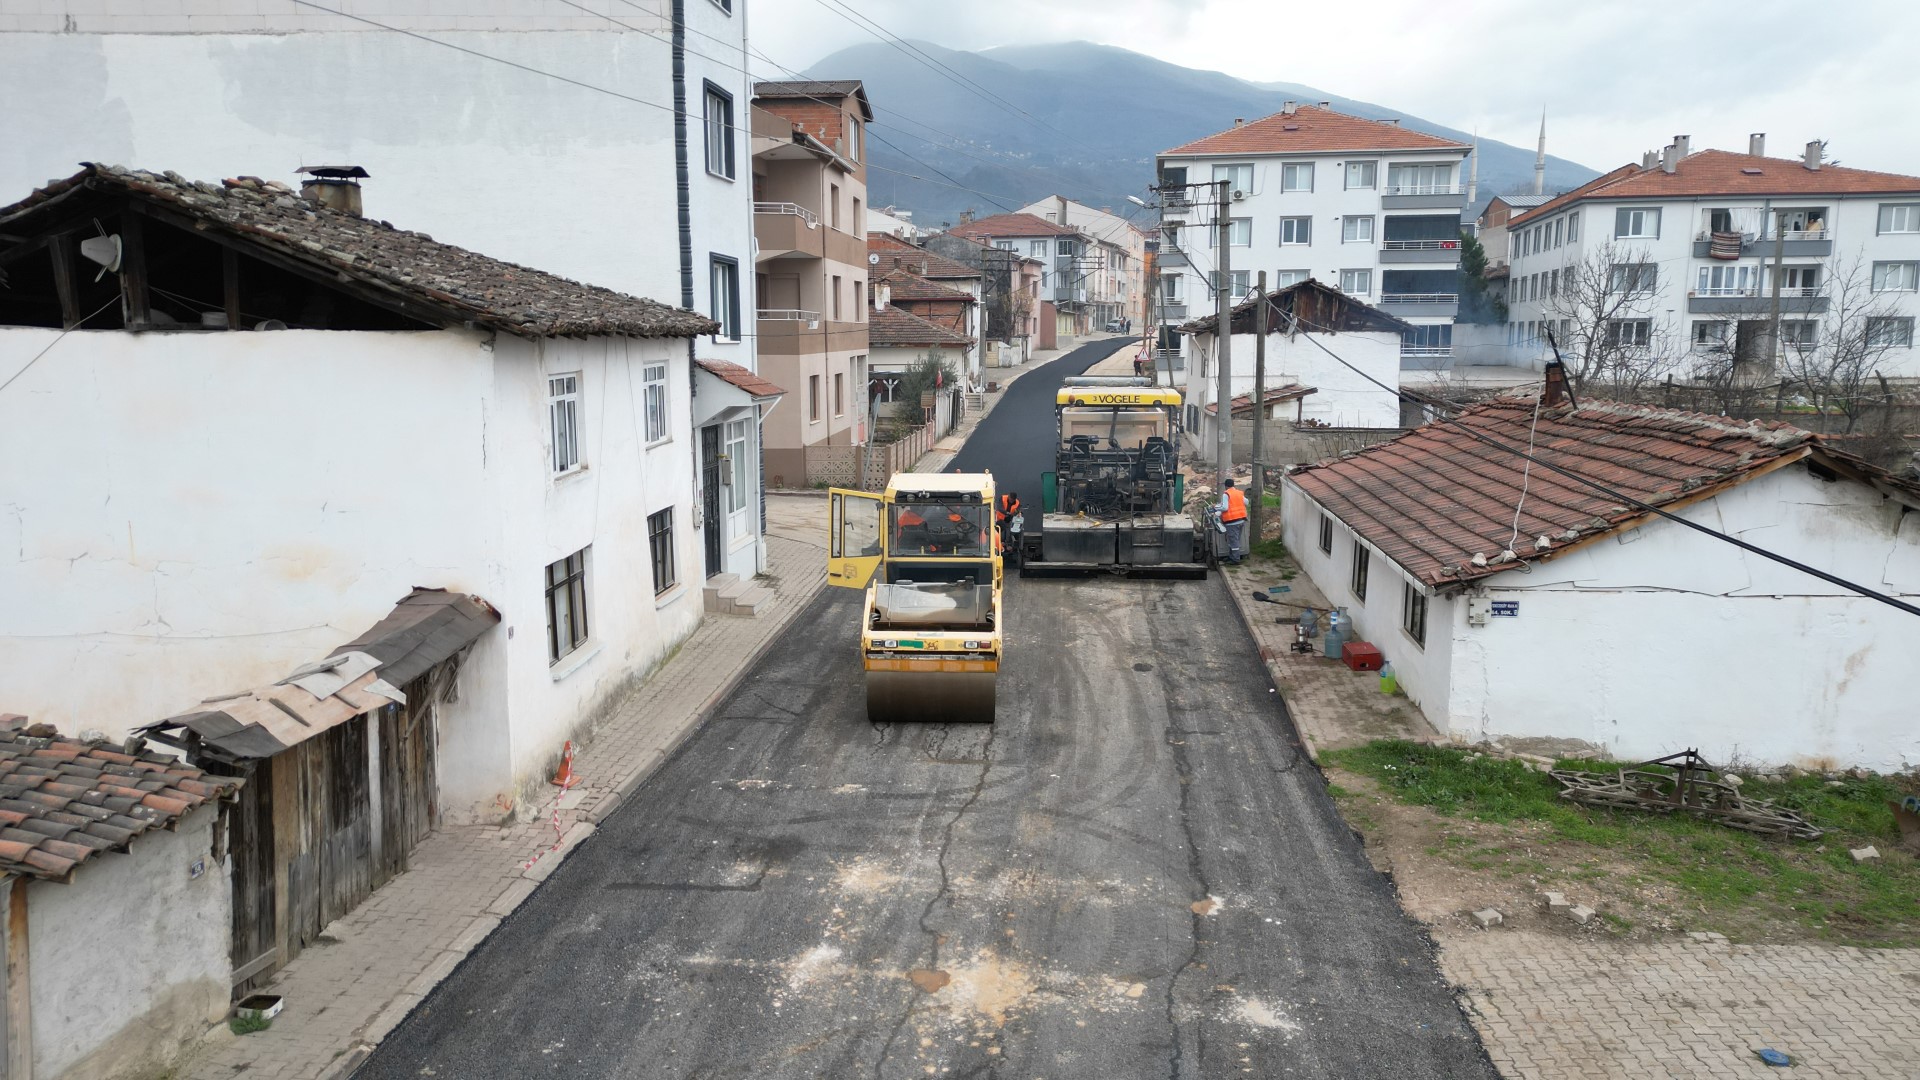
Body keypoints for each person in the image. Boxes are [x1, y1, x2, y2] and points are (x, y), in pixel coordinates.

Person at [1218, 478, 1248, 563]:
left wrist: (1216, 507)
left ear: (1226, 486)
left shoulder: (1226, 494)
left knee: (1233, 541)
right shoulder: (1239, 493)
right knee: (1235, 540)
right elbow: (1246, 502)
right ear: (1233, 485)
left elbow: (1225, 507)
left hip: (1232, 521)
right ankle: (1231, 557)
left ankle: (1235, 559)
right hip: (1241, 520)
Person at [995, 490, 1022, 555]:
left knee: (1008, 530)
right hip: (999, 519)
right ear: (1008, 496)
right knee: (997, 531)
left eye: (1012, 500)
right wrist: (1007, 513)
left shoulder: (1017, 503)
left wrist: (1018, 513)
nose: (1011, 501)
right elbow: (999, 508)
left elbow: (1018, 510)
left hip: (1008, 519)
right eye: (1010, 499)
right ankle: (997, 544)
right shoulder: (1002, 498)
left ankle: (1006, 544)